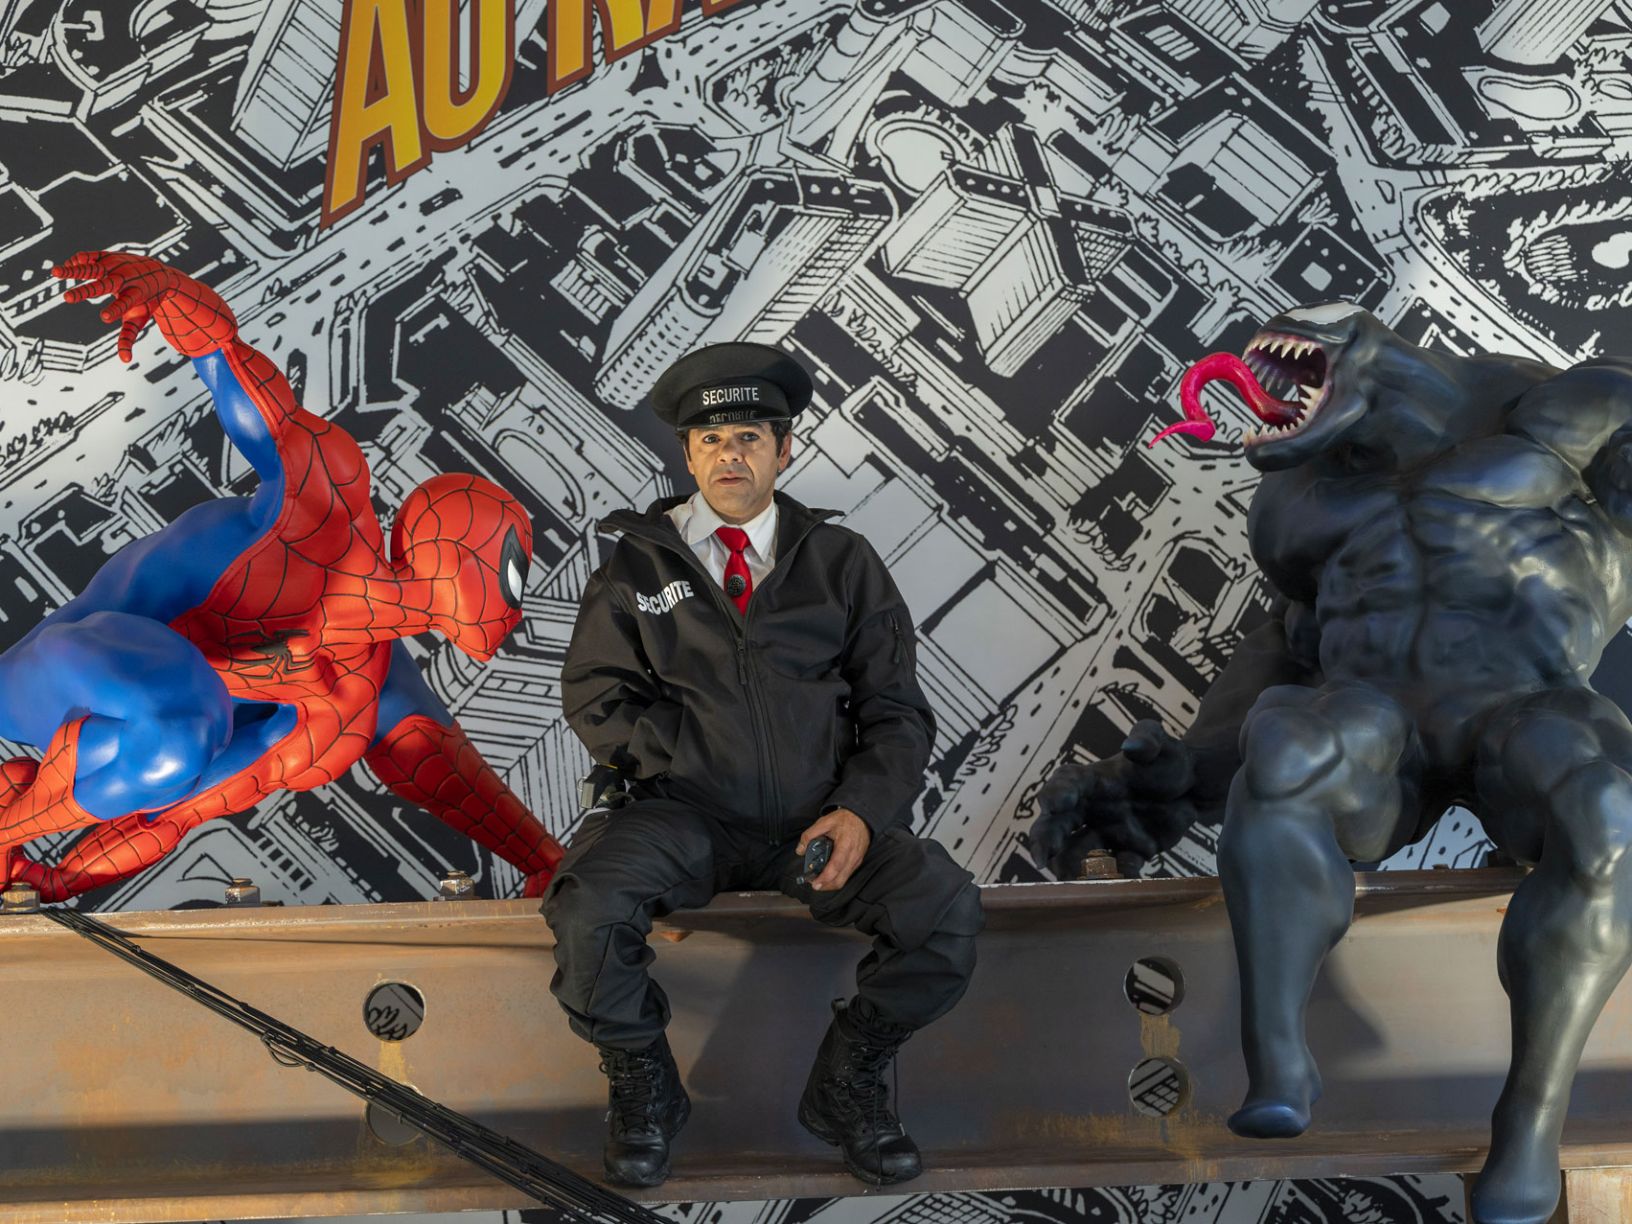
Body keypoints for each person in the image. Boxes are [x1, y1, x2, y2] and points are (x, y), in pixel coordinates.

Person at [545, 342, 983, 1189]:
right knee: (587, 909)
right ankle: (644, 1087)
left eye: (748, 437)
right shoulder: (638, 565)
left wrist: (860, 812)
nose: (729, 456)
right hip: (683, 820)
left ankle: (848, 1084)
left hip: (818, 825)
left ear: (784, 450)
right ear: (687, 455)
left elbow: (897, 712)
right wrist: (686, 761)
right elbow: (596, 696)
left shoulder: (842, 563)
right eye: (710, 440)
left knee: (945, 912)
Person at [0, 251, 563, 900]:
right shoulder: (323, 509)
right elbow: (235, 372)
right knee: (190, 721)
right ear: (456, 540)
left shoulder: (355, 693)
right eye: (510, 566)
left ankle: (15, 819)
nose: (513, 600)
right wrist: (175, 297)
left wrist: (52, 881)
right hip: (54, 672)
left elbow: (179, 812)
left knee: (191, 740)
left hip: (114, 743)